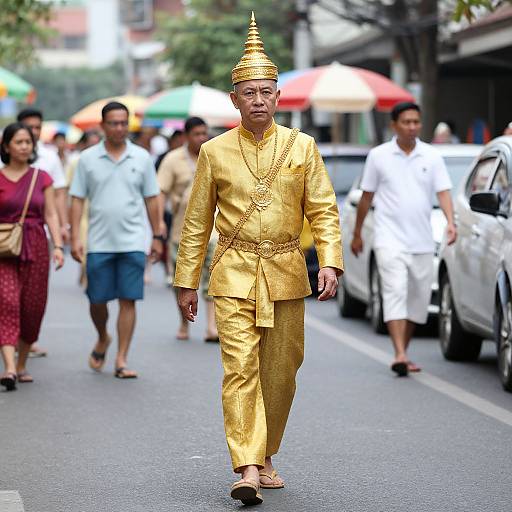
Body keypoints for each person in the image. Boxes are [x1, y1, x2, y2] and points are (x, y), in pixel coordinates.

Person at [174, 13, 343, 505]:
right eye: (249, 92)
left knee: (282, 369)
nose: (258, 100)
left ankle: (266, 451)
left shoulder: (302, 147)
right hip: (232, 272)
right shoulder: (214, 152)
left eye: (266, 91)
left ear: (277, 96)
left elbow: (325, 210)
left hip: (288, 270)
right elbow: (196, 222)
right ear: (235, 100)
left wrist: (329, 260)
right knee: (240, 367)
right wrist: (187, 280)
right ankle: (246, 466)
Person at [351, 102, 457, 377]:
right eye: (406, 122)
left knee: (418, 300)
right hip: (389, 239)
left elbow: (443, 192)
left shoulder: (432, 156)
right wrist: (357, 233)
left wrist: (451, 222)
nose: (412, 127)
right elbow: (367, 196)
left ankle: (403, 350)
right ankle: (399, 353)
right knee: (394, 291)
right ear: (394, 125)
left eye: (416, 122)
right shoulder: (379, 156)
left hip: (422, 240)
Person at [70, 102, 164, 379]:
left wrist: (157, 234)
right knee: (96, 300)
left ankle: (121, 358)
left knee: (128, 299)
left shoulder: (142, 158)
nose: (120, 128)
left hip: (133, 241)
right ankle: (102, 337)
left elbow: (152, 198)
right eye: (114, 123)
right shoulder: (87, 159)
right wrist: (75, 236)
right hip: (98, 242)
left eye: (124, 123)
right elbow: (77, 200)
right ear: (102, 126)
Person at [0, 122, 64, 391]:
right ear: (6, 147)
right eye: (19, 142)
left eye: (28, 142)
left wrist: (59, 246)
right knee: (8, 303)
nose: (25, 146)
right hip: (4, 248)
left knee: (32, 307)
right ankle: (10, 367)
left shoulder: (42, 177)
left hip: (36, 245)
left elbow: (50, 214)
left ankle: (23, 362)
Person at [158, 117, 218, 342]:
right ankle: (184, 322)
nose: (202, 138)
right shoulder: (173, 160)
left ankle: (212, 327)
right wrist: (159, 223)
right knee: (181, 280)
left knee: (212, 276)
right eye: (197, 134)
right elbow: (160, 191)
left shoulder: (214, 154)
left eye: (205, 133)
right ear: (186, 136)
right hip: (181, 230)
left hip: (213, 229)